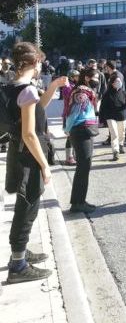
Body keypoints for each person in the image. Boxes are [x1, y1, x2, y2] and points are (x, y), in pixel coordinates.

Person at [5, 42, 67, 284]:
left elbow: (37, 109)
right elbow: (30, 133)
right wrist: (45, 164)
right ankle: (18, 265)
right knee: (28, 207)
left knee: (25, 204)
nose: (42, 64)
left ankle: (18, 253)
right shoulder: (27, 90)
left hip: (17, 152)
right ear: (34, 63)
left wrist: (52, 87)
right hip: (29, 156)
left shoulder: (14, 86)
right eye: (40, 61)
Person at [64, 68, 99, 213]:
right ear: (86, 78)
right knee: (83, 167)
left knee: (84, 167)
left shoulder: (86, 90)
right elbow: (74, 113)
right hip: (80, 130)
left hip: (83, 130)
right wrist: (68, 129)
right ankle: (78, 203)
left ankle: (79, 201)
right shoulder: (81, 92)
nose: (96, 80)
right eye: (94, 78)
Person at [99, 77, 126, 161]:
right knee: (114, 134)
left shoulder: (123, 92)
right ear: (112, 83)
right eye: (116, 81)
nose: (118, 83)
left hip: (121, 115)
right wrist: (101, 119)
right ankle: (115, 152)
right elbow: (102, 107)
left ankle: (121, 145)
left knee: (122, 133)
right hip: (110, 117)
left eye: (119, 81)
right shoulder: (107, 94)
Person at [61, 69, 80, 165]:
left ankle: (75, 155)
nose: (78, 78)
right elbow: (73, 98)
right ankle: (69, 157)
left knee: (75, 136)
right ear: (72, 77)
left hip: (74, 114)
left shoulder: (73, 86)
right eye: (77, 76)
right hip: (69, 114)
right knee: (70, 136)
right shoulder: (68, 87)